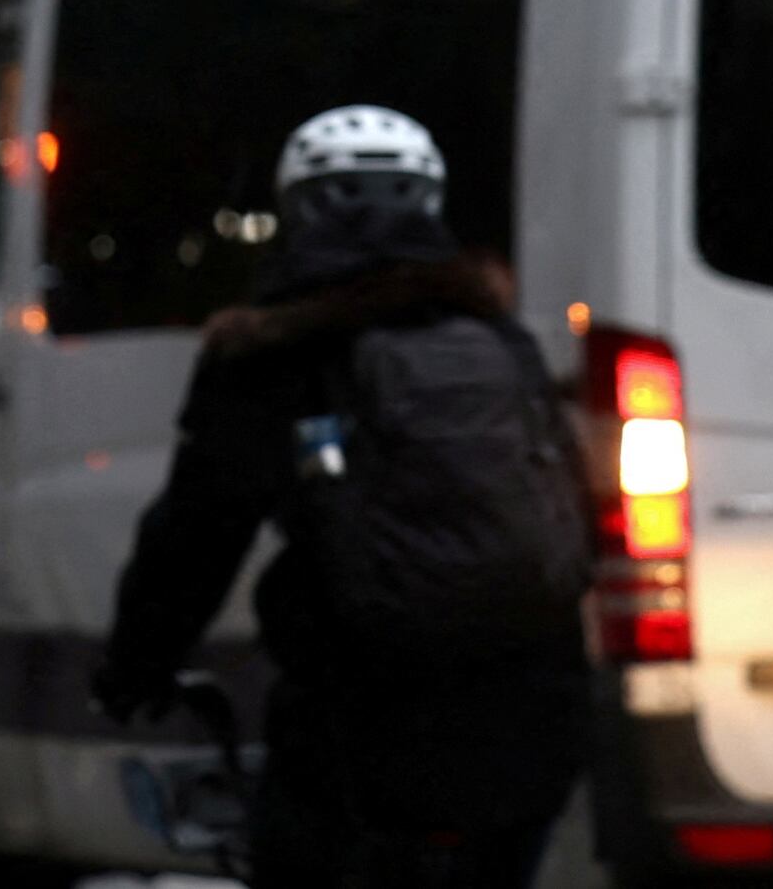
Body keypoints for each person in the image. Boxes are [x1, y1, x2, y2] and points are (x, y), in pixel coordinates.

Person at [95, 105, 596, 889]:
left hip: (360, 727)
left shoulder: (270, 350)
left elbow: (197, 532)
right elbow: (569, 507)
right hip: (530, 720)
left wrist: (136, 665)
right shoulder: (501, 341)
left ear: (294, 209)